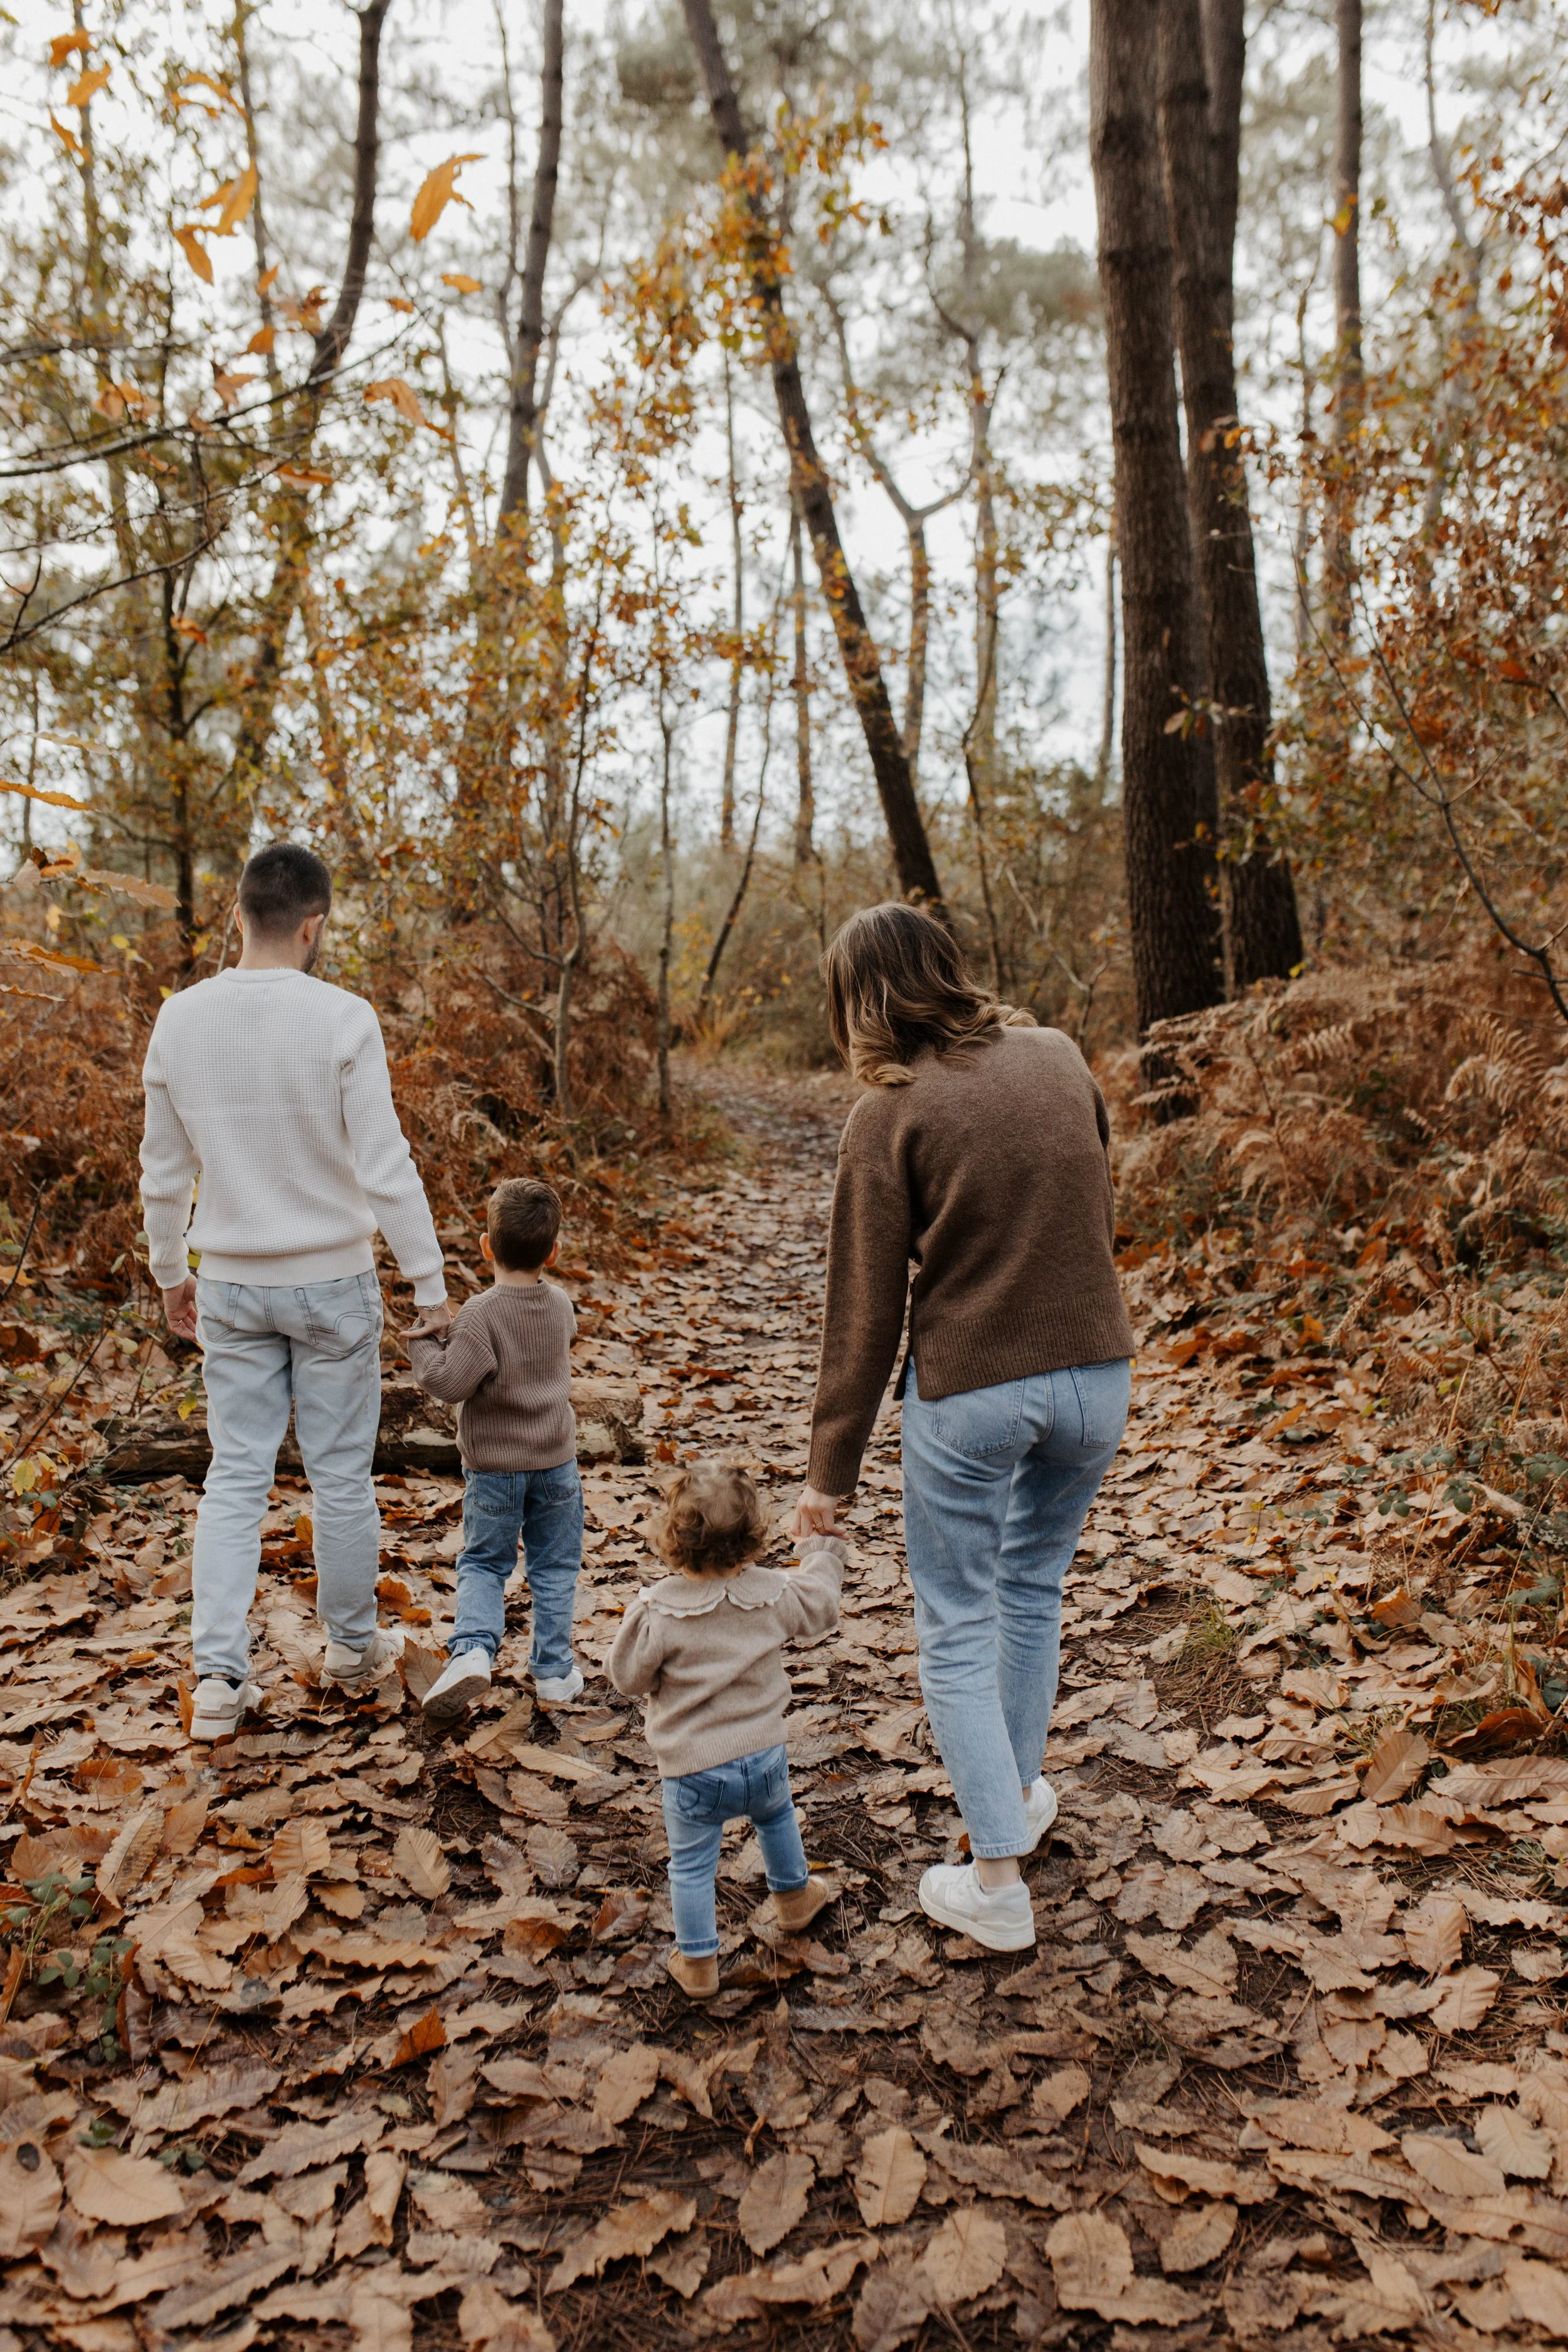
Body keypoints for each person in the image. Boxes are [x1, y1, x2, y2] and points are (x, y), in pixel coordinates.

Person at [792, 903, 1135, 1954]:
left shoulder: (889, 1114)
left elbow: (864, 1315)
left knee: (952, 1621)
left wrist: (827, 1482)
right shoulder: (1059, 1053)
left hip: (976, 1391)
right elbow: (1091, 1191)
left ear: (861, 1001)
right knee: (1030, 1588)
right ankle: (1017, 1799)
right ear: (948, 970)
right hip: (1099, 1377)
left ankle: (996, 1882)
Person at [139, 842, 450, 1744]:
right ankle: (354, 1652)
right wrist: (428, 1284)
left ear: (239, 914)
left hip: (230, 1283)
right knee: (339, 1475)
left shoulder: (180, 1019)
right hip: (333, 1282)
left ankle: (219, 1681)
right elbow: (386, 1167)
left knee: (235, 1476)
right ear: (313, 926)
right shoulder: (345, 1018)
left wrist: (170, 1273)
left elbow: (164, 1172)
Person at [608, 1462, 843, 1998]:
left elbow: (627, 1679)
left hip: (692, 1770)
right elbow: (821, 1606)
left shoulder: (660, 1610)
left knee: (692, 1865)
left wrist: (638, 1624)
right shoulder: (772, 1593)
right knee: (778, 1817)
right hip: (763, 1756)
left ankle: (698, 1964)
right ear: (752, 1534)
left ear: (672, 1536)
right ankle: (794, 1898)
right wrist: (822, 1553)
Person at [406, 1177, 585, 1720]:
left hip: (495, 1471)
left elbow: (449, 1382)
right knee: (556, 1566)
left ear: (486, 1246)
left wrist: (423, 1340)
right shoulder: (560, 1305)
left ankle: (473, 1652)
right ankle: (554, 1672)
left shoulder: (481, 1314)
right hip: (556, 1463)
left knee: (485, 1561)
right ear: (553, 1252)